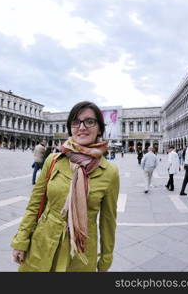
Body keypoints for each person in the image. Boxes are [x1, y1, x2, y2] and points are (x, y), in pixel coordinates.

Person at [11, 101, 119, 272]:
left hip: (80, 255)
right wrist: (21, 240)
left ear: (99, 128)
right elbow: (34, 204)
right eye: (76, 122)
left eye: (89, 121)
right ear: (70, 128)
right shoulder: (54, 160)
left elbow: (108, 222)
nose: (82, 127)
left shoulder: (109, 172)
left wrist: (106, 259)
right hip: (42, 244)